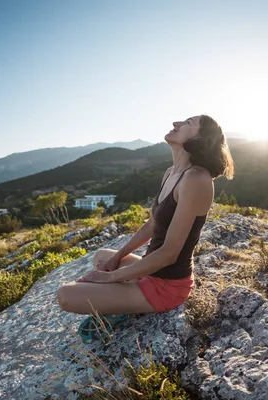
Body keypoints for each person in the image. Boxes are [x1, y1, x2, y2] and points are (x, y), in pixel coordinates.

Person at [56, 115, 234, 339]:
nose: (176, 123)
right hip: (151, 272)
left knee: (66, 296)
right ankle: (123, 300)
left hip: (168, 286)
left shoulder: (197, 179)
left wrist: (114, 277)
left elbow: (169, 254)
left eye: (187, 123)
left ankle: (122, 307)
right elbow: (152, 224)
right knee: (102, 256)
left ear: (200, 138)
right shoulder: (171, 173)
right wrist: (118, 256)